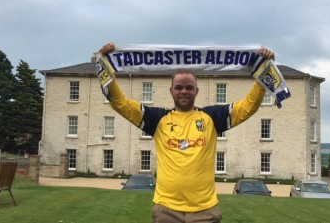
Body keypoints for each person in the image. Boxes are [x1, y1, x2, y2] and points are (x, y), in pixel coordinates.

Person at [99, 42, 275, 223]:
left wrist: (263, 73)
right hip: (166, 210)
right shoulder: (157, 119)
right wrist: (106, 69)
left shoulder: (212, 117)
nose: (184, 91)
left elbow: (248, 106)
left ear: (196, 91)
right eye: (179, 87)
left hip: (204, 211)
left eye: (189, 87)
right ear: (171, 91)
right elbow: (121, 103)